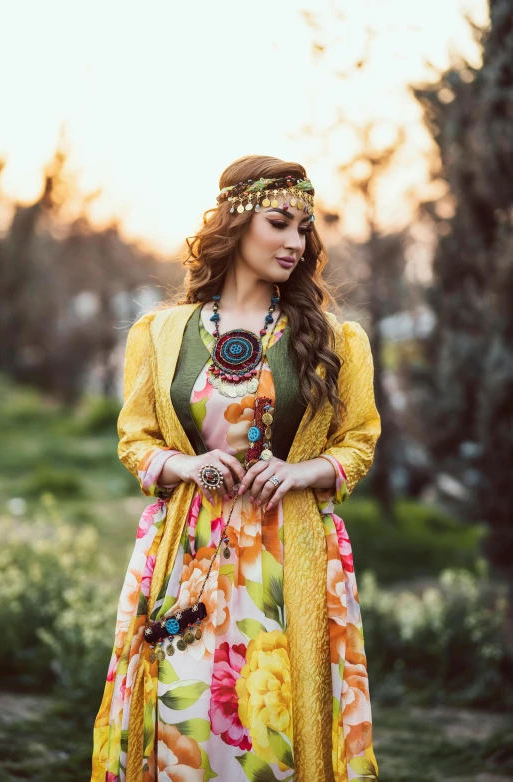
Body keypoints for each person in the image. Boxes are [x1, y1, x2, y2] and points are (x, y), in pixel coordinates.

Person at [91, 154, 381, 782]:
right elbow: (134, 441)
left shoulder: (336, 340)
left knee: (269, 728)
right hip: (185, 555)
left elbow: (359, 440)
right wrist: (189, 466)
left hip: (292, 552)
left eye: (304, 228)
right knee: (185, 718)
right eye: (280, 222)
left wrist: (301, 472)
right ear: (236, 222)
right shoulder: (161, 335)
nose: (295, 243)